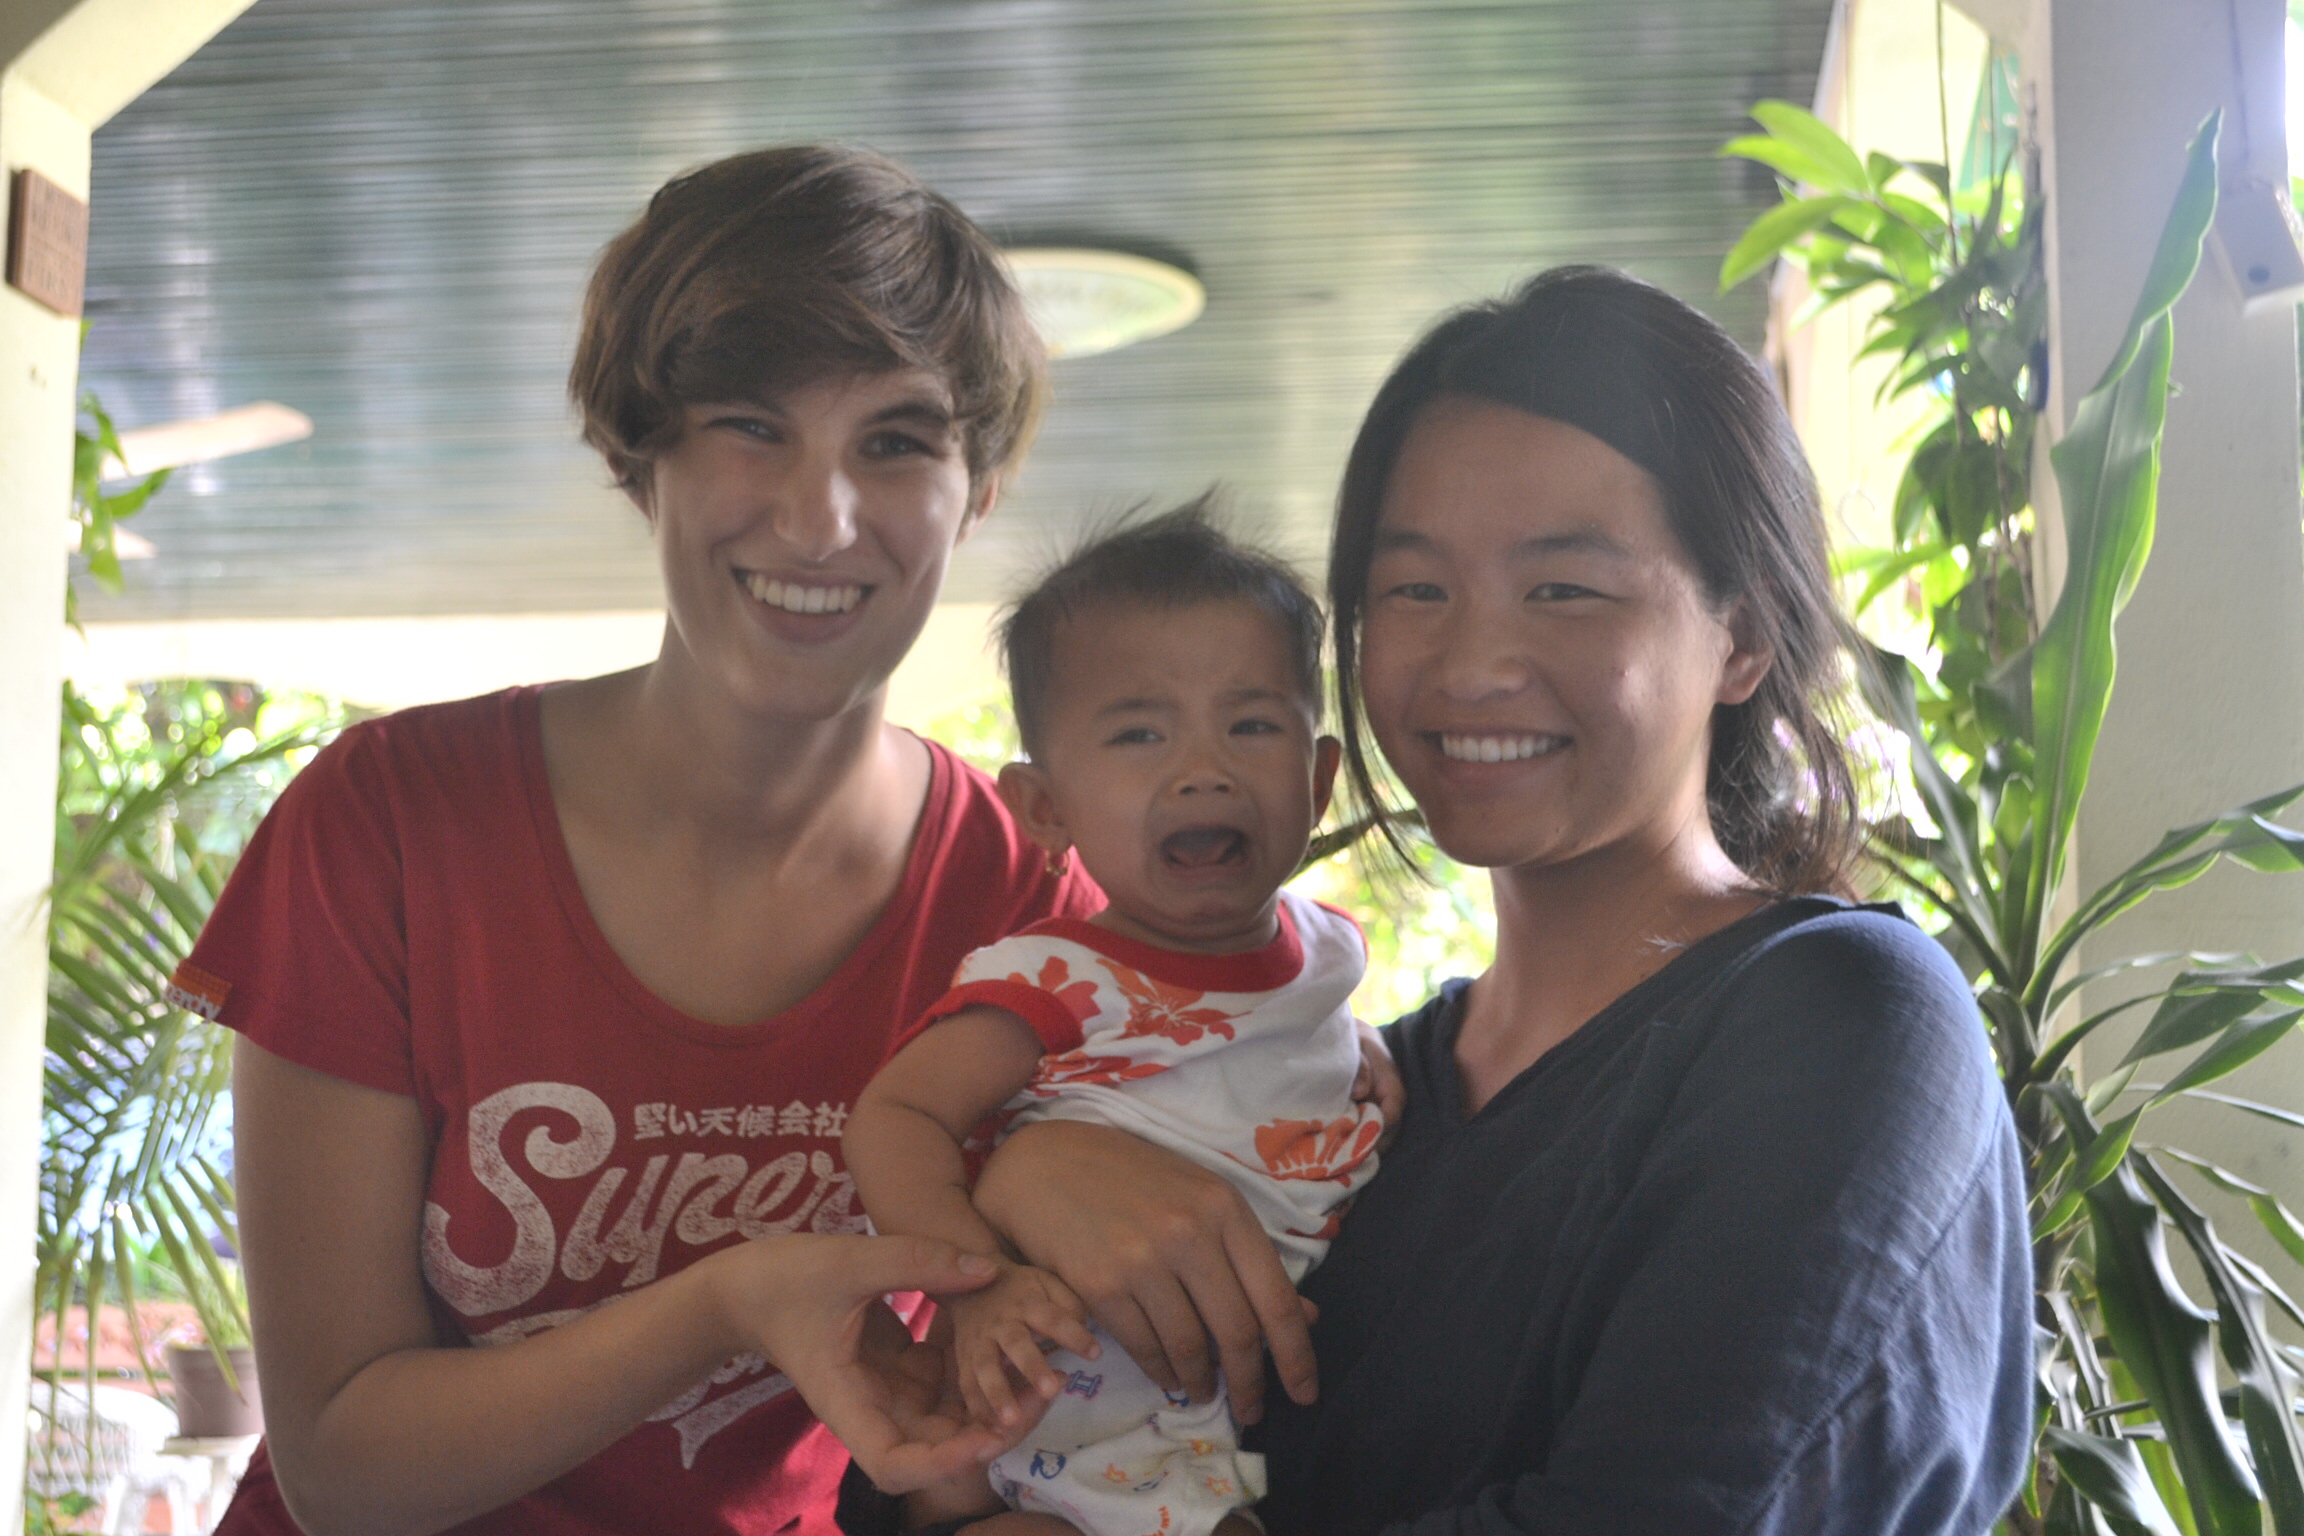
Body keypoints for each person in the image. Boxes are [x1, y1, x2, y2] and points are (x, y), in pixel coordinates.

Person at [920, 266, 2037, 1535]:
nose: (1471, 663)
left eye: (1563, 588)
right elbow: (948, 1463)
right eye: (1414, 591)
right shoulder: (1358, 1091)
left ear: (1742, 637)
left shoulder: (1844, 1021)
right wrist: (1014, 1175)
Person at [170, 143, 1112, 1536]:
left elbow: (1010, 1423)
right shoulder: (389, 825)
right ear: (637, 455)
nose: (820, 519)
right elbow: (341, 1470)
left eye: (898, 441)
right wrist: (724, 1304)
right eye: (751, 426)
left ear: (975, 491)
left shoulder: (1030, 902)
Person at [843, 503, 1384, 1536]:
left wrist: (1364, 1046)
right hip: (1067, 1384)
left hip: (1223, 1408)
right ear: (1045, 809)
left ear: (1318, 781)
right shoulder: (1054, 977)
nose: (1203, 766)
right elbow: (894, 1118)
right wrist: (974, 1285)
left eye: (1252, 724)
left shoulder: (1328, 956)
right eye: (1140, 732)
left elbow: (1263, 1051)